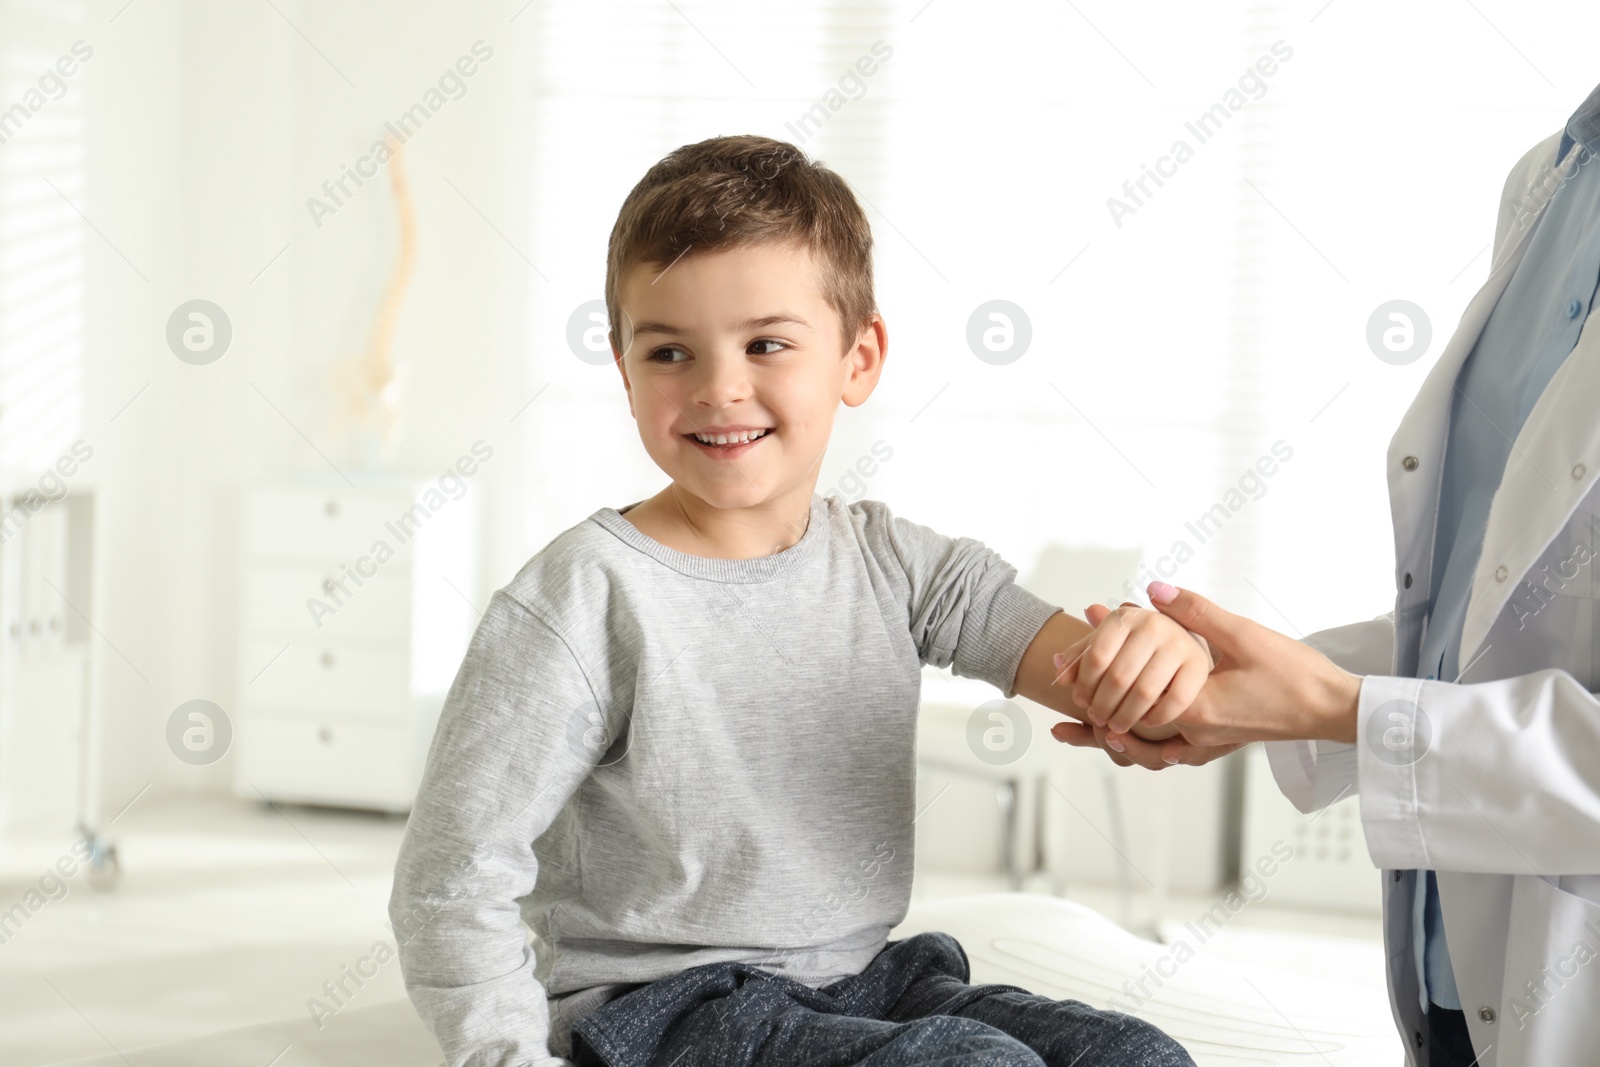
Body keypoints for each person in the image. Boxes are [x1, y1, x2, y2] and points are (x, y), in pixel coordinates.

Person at [388, 134, 1206, 1067]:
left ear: (859, 359)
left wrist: (1148, 650)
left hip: (865, 975)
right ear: (623, 369)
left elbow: (1083, 670)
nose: (718, 388)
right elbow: (453, 870)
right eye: (669, 352)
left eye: (767, 343)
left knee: (1135, 1053)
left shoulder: (899, 564)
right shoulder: (585, 594)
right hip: (665, 1007)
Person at [1054, 81, 1600, 1067]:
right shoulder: (1552, 178)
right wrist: (1255, 679)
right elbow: (1496, 608)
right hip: (1453, 975)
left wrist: (1340, 711)